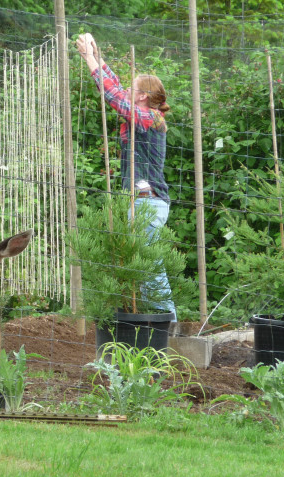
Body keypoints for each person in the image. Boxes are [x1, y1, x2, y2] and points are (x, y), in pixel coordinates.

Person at [75, 33, 176, 321]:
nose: (128, 89)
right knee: (141, 265)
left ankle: (166, 318)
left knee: (149, 263)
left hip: (148, 202)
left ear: (143, 96)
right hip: (140, 201)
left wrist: (91, 60)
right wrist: (95, 55)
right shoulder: (142, 113)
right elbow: (117, 90)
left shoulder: (151, 117)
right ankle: (155, 319)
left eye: (134, 88)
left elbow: (114, 98)